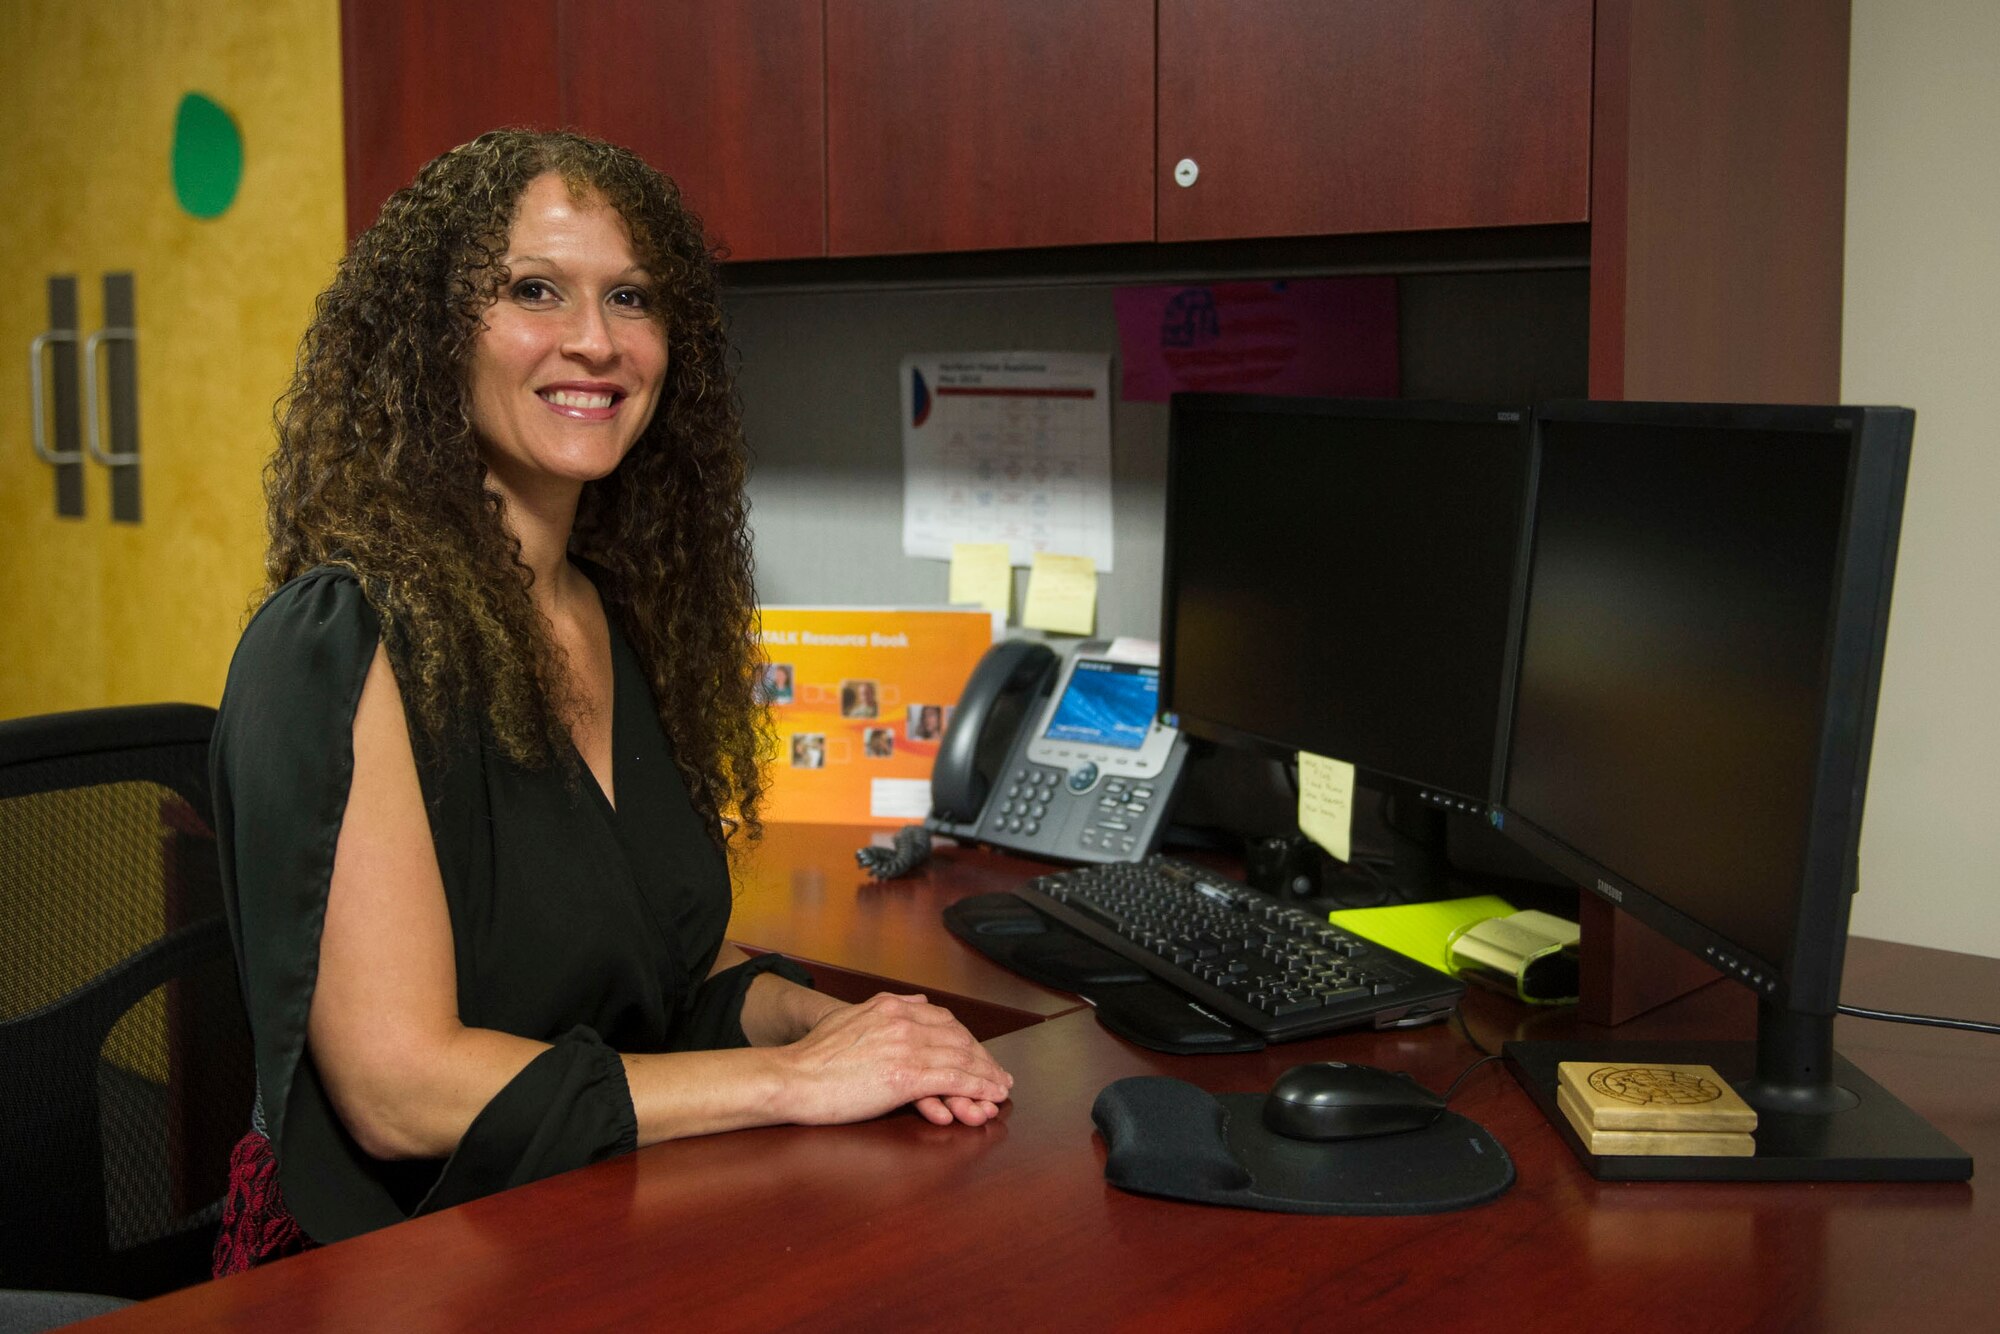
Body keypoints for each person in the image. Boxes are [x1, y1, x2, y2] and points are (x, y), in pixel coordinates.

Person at [208, 130, 1011, 1272]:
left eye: (630, 297)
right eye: (536, 290)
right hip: (393, 1266)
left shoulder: (614, 614)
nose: (594, 341)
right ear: (432, 335)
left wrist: (833, 1022)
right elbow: (400, 1086)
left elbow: (653, 970)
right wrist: (793, 1079)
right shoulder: (340, 641)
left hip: (590, 1219)